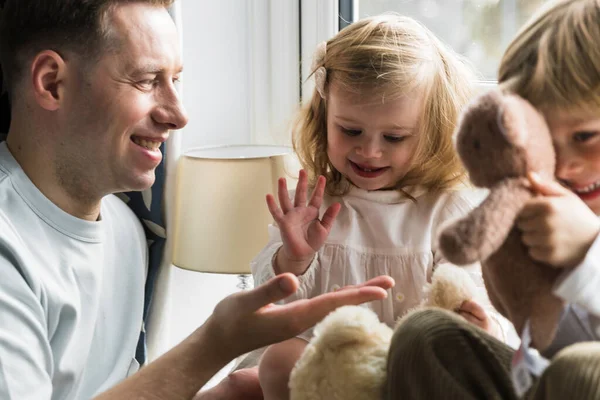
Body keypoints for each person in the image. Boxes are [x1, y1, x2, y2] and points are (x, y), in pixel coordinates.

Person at [0, 1, 396, 399]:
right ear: (52, 83)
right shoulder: (8, 249)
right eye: (146, 80)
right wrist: (214, 344)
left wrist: (224, 393)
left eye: (175, 79)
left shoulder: (125, 230)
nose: (179, 114)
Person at [251, 14, 511, 400]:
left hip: (410, 376)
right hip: (327, 378)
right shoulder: (314, 204)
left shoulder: (448, 209)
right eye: (350, 130)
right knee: (277, 361)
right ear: (324, 117)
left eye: (394, 136)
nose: (369, 151)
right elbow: (272, 307)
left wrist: (481, 323)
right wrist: (293, 259)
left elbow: (477, 295)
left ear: (431, 129)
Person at [384, 0, 600, 399]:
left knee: (584, 369)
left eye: (585, 137)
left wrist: (589, 247)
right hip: (538, 383)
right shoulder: (540, 204)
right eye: (546, 143)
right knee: (425, 335)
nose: (565, 166)